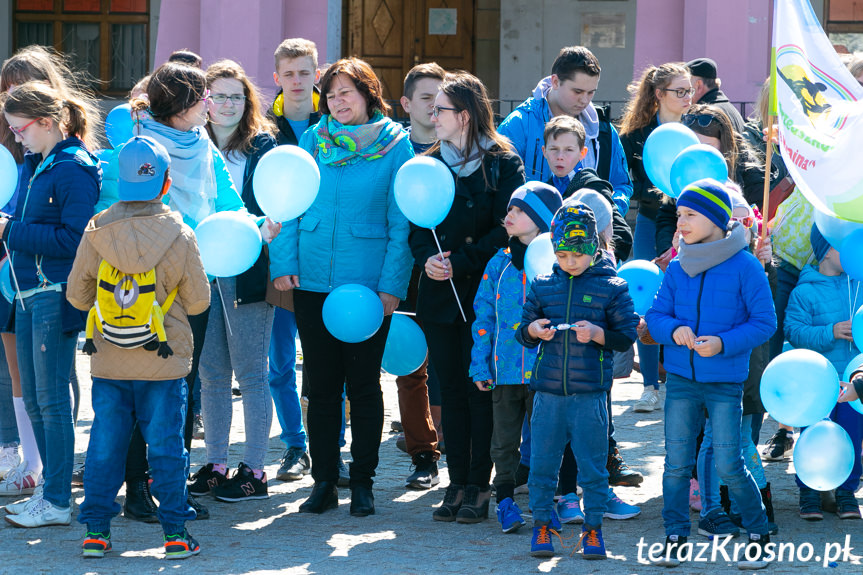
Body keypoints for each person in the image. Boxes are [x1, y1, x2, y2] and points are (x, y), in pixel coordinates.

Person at [124, 61, 279, 519]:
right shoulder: (141, 147)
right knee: (143, 387)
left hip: (195, 283)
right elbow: (134, 208)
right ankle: (137, 489)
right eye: (202, 97)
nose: (211, 104)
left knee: (181, 391)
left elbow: (229, 204)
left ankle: (173, 487)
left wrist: (257, 225)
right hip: (150, 284)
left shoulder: (203, 145)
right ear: (181, 104)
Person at [269, 57, 414, 517]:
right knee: (322, 387)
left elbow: (401, 222)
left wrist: (392, 285)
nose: (337, 101)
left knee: (365, 386)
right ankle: (325, 481)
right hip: (311, 280)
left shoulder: (397, 147)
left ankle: (365, 482)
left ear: (369, 93)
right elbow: (288, 205)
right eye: (330, 95)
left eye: (346, 92)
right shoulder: (313, 139)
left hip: (366, 287)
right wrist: (284, 262)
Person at [66, 135, 210, 558]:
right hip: (163, 362)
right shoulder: (181, 234)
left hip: (109, 358)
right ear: (165, 183)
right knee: (166, 446)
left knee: (104, 445)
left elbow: (76, 295)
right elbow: (200, 301)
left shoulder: (96, 230)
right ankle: (176, 535)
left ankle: (95, 531)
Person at [410, 72, 525, 523]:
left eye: (439, 109)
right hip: (440, 296)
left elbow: (506, 227)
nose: (430, 116)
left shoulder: (503, 162)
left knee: (481, 389)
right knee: (450, 390)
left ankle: (481, 484)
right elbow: (415, 226)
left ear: (464, 115)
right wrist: (428, 261)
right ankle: (456, 481)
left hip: (486, 294)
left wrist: (462, 260)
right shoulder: (427, 161)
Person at [645, 179, 776, 569]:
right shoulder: (677, 265)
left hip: (724, 383)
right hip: (682, 381)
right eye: (679, 214)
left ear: (716, 220)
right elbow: (655, 316)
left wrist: (722, 343)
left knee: (730, 463)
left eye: (689, 215)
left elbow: (765, 322)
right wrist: (673, 330)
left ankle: (758, 533)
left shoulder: (746, 266)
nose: (679, 222)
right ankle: (675, 536)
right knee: (675, 465)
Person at [0, 81, 100, 527]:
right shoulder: (35, 161)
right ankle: (49, 494)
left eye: (20, 129)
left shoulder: (74, 167)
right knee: (38, 400)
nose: (16, 138)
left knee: (52, 399)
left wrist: (8, 231)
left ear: (45, 122)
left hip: (52, 294)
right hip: (25, 293)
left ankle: (58, 500)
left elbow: (75, 239)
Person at [516, 201, 639, 559]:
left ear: (593, 249)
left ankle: (594, 529)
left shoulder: (612, 287)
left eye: (578, 254)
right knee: (541, 464)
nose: (570, 262)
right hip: (547, 394)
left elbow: (626, 334)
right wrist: (534, 330)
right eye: (563, 254)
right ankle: (542, 525)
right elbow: (523, 332)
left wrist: (599, 334)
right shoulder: (542, 286)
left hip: (589, 396)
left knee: (593, 466)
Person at [185, 60, 278, 502]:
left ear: (248, 102)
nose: (227, 104)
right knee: (212, 373)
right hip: (200, 271)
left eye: (235, 96)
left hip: (247, 270)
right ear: (204, 101)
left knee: (253, 373)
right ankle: (217, 463)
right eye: (218, 95)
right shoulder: (190, 144)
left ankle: (256, 470)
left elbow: (271, 208)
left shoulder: (262, 146)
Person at [470, 182, 562, 533]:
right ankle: (505, 500)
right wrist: (480, 362)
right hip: (504, 370)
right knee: (503, 442)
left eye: (518, 210)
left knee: (545, 441)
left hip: (546, 373)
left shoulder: (558, 262)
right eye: (509, 209)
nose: (508, 216)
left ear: (539, 219)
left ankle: (543, 503)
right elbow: (484, 316)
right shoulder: (499, 263)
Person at [618, 62, 692, 413]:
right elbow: (626, 182)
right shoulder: (635, 136)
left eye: (690, 90)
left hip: (695, 225)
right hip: (651, 220)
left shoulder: (697, 128)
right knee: (646, 300)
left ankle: (680, 381)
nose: (688, 98)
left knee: (688, 301)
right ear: (659, 94)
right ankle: (649, 386)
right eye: (681, 91)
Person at [390, 62, 450, 490]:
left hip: (450, 271)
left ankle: (452, 444)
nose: (434, 107)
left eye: (440, 99)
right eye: (426, 98)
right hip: (405, 270)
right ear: (407, 104)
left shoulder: (458, 150)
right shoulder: (393, 151)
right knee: (411, 366)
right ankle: (423, 454)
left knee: (451, 364)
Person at [267, 38, 320, 482]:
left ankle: (331, 447)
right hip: (280, 260)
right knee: (280, 362)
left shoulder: (336, 121)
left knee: (327, 361)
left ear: (316, 74)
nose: (297, 81)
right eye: (290, 73)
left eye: (305, 72)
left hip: (325, 256)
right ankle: (295, 446)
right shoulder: (263, 129)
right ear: (277, 78)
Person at [784, 225, 863, 521]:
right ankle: (809, 491)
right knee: (814, 432)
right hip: (817, 380)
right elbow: (794, 331)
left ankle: (846, 492)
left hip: (854, 378)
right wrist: (830, 331)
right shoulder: (805, 290)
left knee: (852, 434)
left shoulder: (859, 284)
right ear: (827, 251)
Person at [498, 46, 632, 216]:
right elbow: (499, 185)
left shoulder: (604, 130)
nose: (585, 100)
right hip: (532, 235)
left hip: (590, 236)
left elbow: (621, 185)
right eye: (577, 91)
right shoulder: (519, 123)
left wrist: (606, 214)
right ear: (555, 82)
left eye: (591, 93)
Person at [686, 58, 745, 133]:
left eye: (687, 88)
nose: (685, 95)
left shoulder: (706, 115)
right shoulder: (729, 108)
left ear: (698, 86)